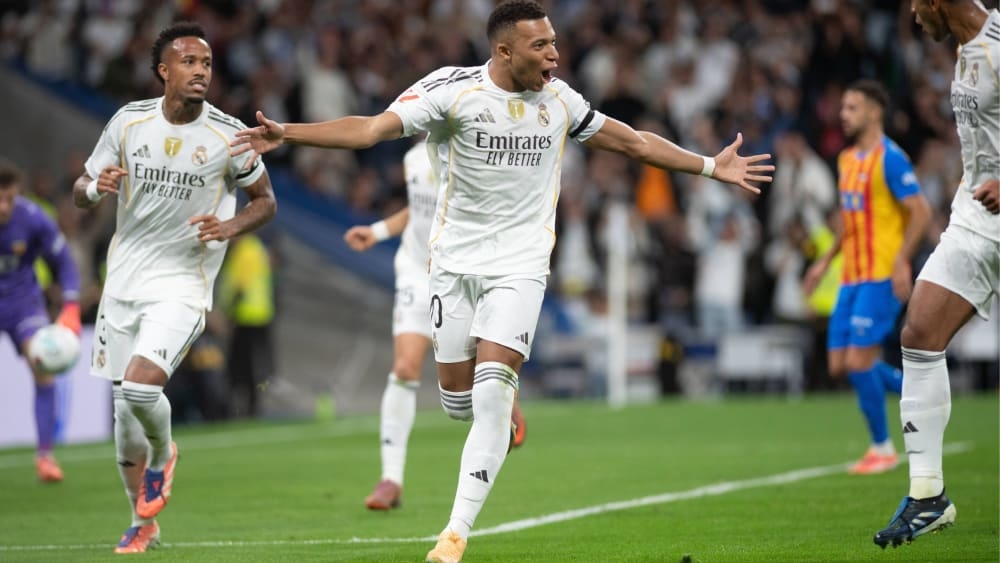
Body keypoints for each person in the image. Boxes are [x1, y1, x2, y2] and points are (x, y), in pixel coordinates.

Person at [232, 2, 771, 560]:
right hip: (453, 268)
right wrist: (289, 134)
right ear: (504, 51)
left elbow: (634, 141)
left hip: (521, 267)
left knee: (489, 394)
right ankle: (500, 401)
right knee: (457, 405)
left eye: (555, 43)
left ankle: (454, 534)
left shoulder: (561, 101)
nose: (555, 55)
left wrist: (710, 165)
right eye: (541, 47)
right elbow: (370, 130)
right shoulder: (452, 91)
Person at [73, 22, 277, 554]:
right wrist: (97, 187)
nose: (201, 72)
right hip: (123, 284)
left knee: (142, 389)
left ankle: (165, 456)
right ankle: (142, 524)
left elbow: (265, 201)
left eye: (207, 64)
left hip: (183, 284)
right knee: (123, 425)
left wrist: (228, 228)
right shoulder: (128, 122)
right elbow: (81, 189)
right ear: (164, 70)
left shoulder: (227, 134)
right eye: (189, 62)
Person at [872, 0, 999, 549]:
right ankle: (928, 496)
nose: (911, 15)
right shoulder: (967, 49)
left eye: (914, 5)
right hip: (977, 215)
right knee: (919, 332)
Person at [344, 140, 528, 511]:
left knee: (474, 378)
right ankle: (390, 479)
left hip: (462, 269)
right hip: (415, 269)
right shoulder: (413, 157)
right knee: (404, 367)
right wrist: (378, 232)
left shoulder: (473, 151)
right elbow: (419, 210)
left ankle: (505, 399)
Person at [804, 79, 932, 475]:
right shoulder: (846, 161)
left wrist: (901, 262)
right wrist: (825, 261)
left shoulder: (891, 158)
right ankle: (918, 392)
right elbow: (849, 221)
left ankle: (882, 448)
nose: (843, 115)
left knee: (860, 361)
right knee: (840, 365)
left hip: (880, 276)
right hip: (851, 278)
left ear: (875, 112)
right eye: (843, 108)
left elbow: (922, 213)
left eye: (852, 108)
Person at [0, 158, 82, 483]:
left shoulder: (33, 218)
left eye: (9, 198)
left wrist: (72, 305)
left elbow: (64, 262)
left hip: (22, 304)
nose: (4, 206)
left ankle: (45, 456)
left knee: (43, 366)